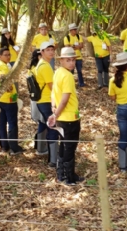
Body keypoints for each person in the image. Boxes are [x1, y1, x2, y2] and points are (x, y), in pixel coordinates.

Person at [48, 47, 85, 185]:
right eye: (68, 60)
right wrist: (55, 113)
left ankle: (61, 175)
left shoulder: (58, 72)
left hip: (62, 117)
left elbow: (53, 92)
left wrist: (53, 108)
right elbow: (65, 98)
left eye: (73, 60)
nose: (71, 63)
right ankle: (68, 178)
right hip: (69, 118)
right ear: (61, 60)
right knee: (69, 147)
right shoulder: (67, 75)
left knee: (63, 145)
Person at [0, 47, 24, 155]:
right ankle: (14, 148)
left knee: (2, 123)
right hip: (8, 99)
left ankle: (4, 146)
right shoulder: (2, 66)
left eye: (9, 54)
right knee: (12, 123)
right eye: (5, 55)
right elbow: (3, 78)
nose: (8, 56)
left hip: (1, 99)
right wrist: (8, 87)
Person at [33, 41, 58, 166]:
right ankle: (53, 160)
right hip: (47, 100)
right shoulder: (45, 66)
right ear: (42, 52)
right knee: (53, 127)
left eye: (52, 49)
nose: (51, 52)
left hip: (43, 100)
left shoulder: (42, 64)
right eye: (48, 50)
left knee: (45, 125)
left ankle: (41, 149)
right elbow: (51, 85)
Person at [28, 48, 48, 155]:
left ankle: (40, 146)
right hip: (40, 99)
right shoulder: (38, 68)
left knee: (42, 122)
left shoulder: (31, 68)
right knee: (43, 122)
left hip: (35, 98)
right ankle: (41, 148)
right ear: (39, 57)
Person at [63, 23, 86, 87]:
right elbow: (67, 46)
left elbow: (81, 46)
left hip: (78, 56)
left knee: (79, 70)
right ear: (70, 30)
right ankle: (71, 83)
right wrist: (76, 46)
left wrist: (73, 46)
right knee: (71, 71)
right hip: (70, 57)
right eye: (74, 30)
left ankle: (81, 83)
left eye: (76, 29)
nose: (75, 31)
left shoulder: (79, 36)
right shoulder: (66, 37)